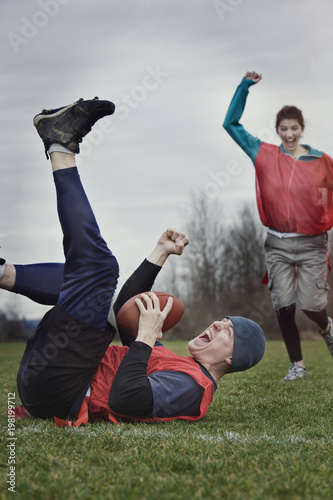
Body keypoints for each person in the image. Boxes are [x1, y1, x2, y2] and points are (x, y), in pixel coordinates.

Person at [3, 97, 265, 426]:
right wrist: (159, 254)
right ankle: (5, 273)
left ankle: (60, 144)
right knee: (89, 285)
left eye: (227, 330)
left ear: (232, 356)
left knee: (100, 270)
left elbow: (127, 399)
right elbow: (127, 308)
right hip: (52, 376)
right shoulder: (172, 360)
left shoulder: (195, 388)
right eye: (221, 320)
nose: (215, 324)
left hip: (60, 388)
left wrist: (145, 337)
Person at [223, 71, 333, 381]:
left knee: (312, 305)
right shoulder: (264, 154)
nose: (289, 134)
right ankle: (296, 365)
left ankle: (326, 327)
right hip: (278, 244)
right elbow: (230, 124)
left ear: (302, 129)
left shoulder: (320, 161)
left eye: (294, 128)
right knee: (284, 304)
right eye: (283, 129)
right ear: (277, 130)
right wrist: (244, 87)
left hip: (312, 243)